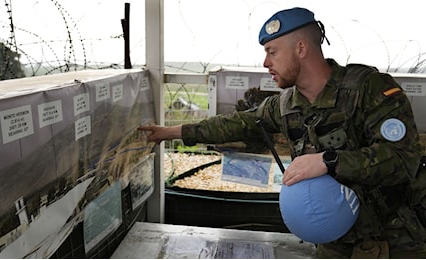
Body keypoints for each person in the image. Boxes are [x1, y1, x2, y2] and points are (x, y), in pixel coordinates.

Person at [139, 7, 426, 258]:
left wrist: (328, 161)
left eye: (272, 52)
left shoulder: (369, 89)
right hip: (334, 242)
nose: (266, 63)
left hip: (394, 240)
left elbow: (402, 159)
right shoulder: (286, 105)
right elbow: (237, 124)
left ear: (301, 49)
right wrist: (169, 132)